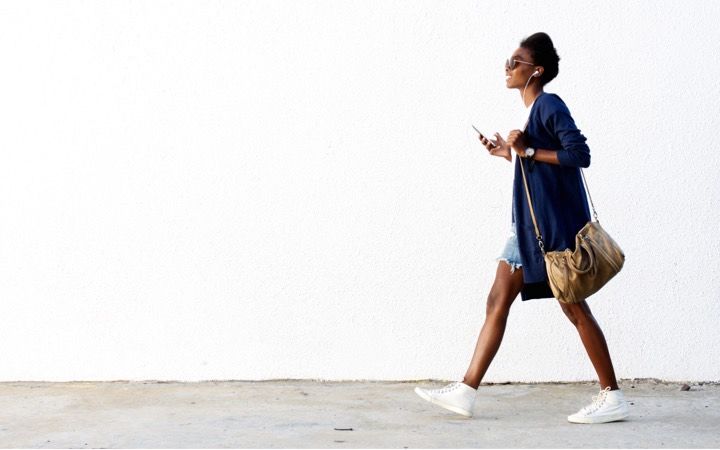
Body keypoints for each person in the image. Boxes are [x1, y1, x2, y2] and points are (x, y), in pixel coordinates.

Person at [414, 32, 629, 424]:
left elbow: (579, 154)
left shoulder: (548, 104)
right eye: (508, 61)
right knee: (497, 300)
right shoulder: (534, 114)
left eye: (516, 61)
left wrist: (528, 150)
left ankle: (612, 395)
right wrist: (508, 153)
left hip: (550, 231)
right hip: (526, 231)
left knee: (575, 308)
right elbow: (537, 167)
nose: (508, 67)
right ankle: (466, 390)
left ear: (537, 71)